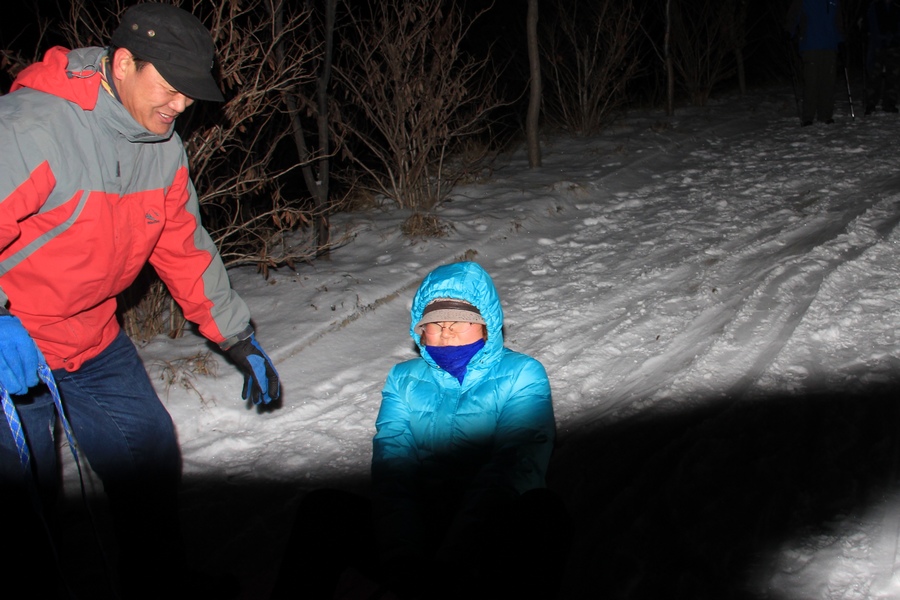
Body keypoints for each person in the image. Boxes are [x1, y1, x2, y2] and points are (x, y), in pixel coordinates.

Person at [0, 3, 280, 597]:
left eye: (189, 95)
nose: (181, 106)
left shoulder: (161, 148)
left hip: (90, 337)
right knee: (25, 496)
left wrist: (235, 335)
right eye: (171, 89)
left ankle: (159, 584)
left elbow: (184, 247)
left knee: (148, 454)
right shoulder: (33, 129)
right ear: (124, 63)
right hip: (11, 348)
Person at [271, 262, 571, 600]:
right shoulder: (403, 379)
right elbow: (393, 470)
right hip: (418, 530)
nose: (446, 332)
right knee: (324, 510)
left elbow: (513, 468)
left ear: (487, 324)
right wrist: (404, 560)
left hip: (488, 532)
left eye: (461, 321)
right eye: (435, 323)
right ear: (419, 330)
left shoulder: (523, 374)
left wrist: (449, 563)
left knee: (541, 513)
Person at [787, 0, 845, 126]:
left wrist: (840, 40)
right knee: (811, 82)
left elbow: (838, 21)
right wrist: (788, 32)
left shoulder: (834, 2)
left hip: (830, 45)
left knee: (828, 82)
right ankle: (808, 117)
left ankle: (825, 115)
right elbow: (793, 16)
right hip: (810, 45)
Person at [864, 0, 900, 113]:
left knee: (893, 76)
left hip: (894, 46)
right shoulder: (874, 6)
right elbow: (872, 25)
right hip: (877, 46)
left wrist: (894, 37)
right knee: (874, 75)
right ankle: (871, 103)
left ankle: (889, 103)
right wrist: (881, 38)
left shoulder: (897, 7)